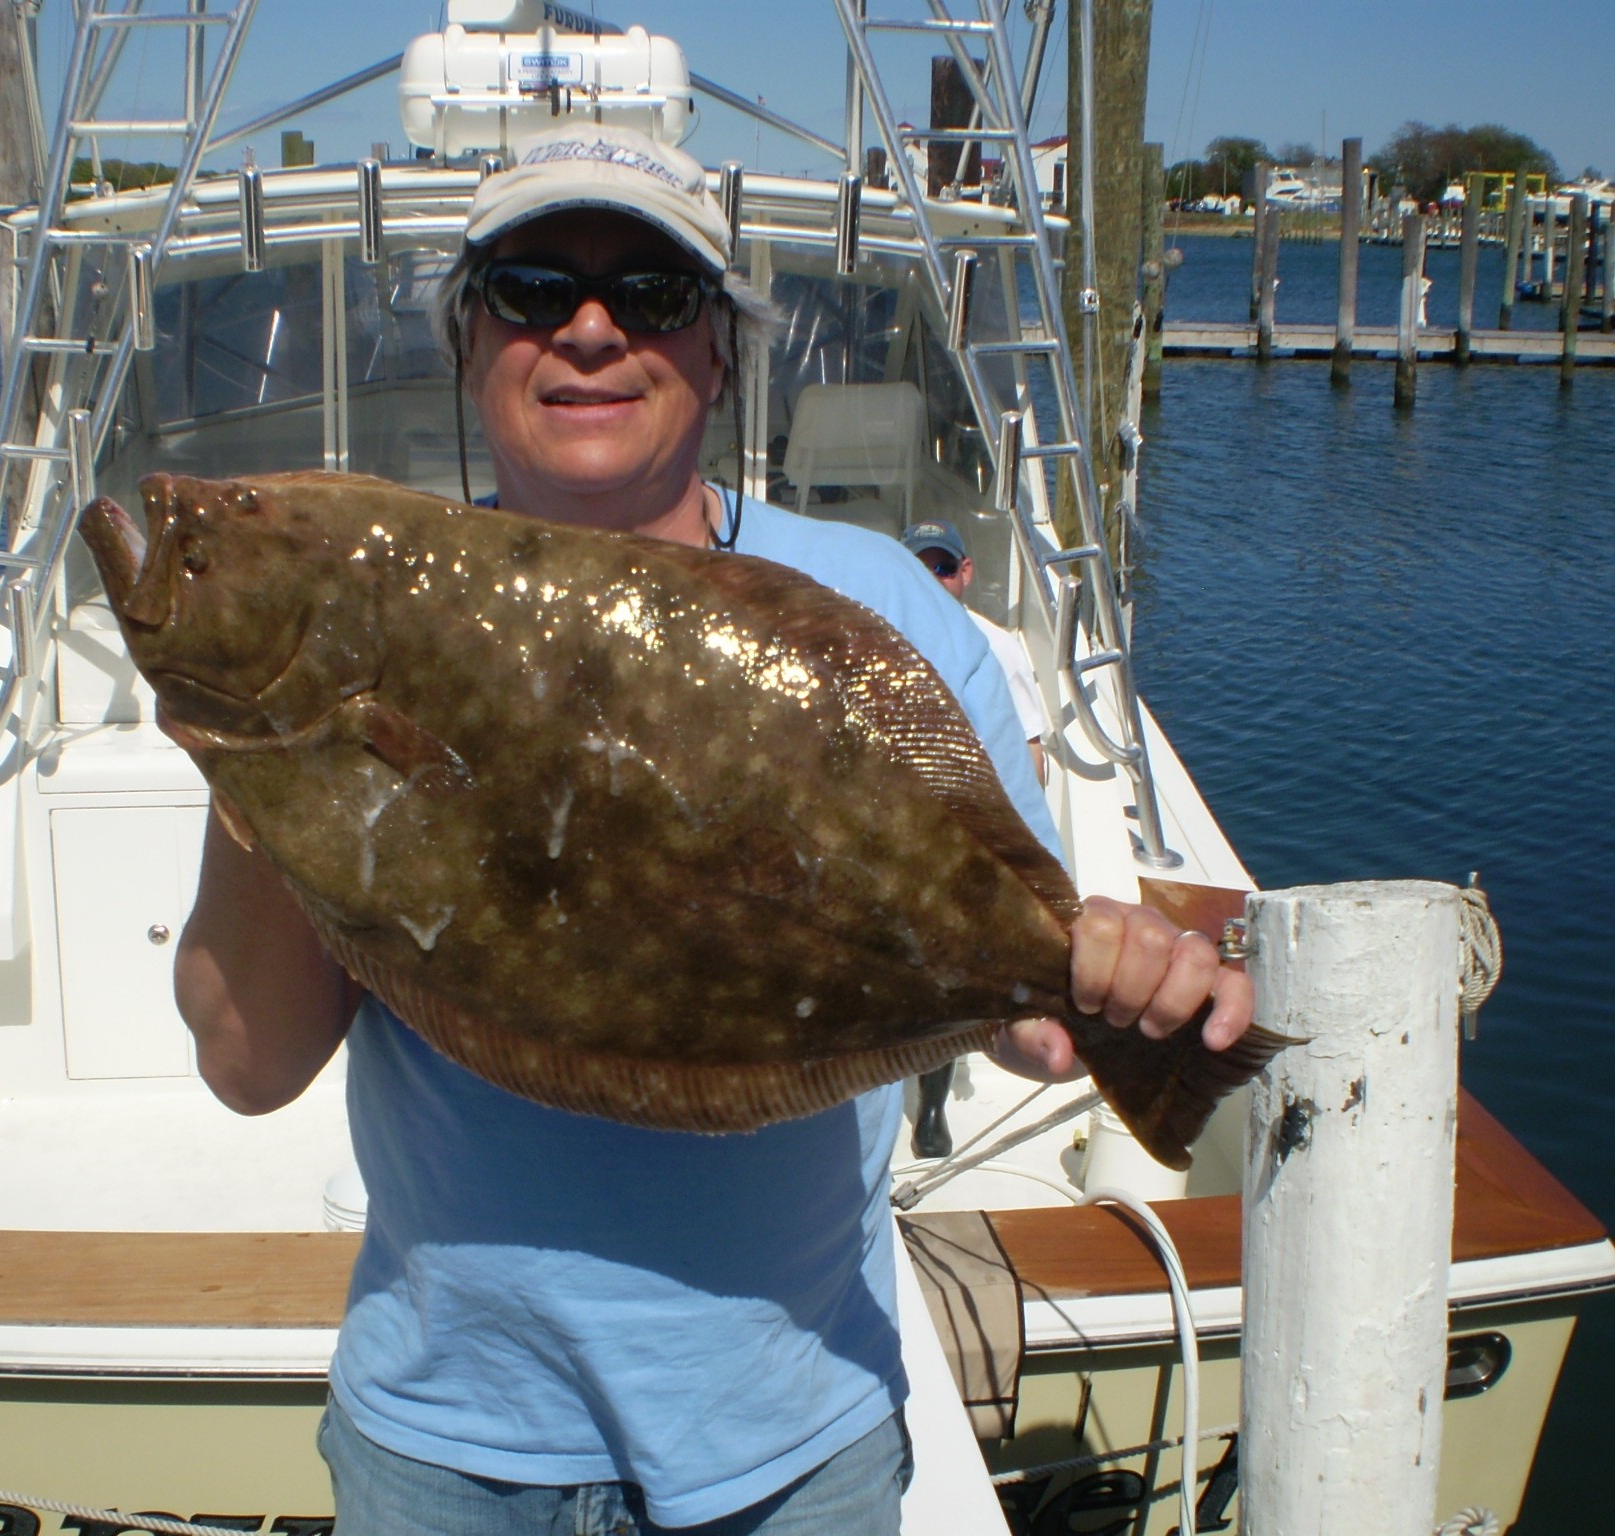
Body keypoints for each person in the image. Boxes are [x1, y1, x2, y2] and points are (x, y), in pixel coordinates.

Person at [169, 123, 1254, 1535]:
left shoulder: (887, 614)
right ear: (466, 340)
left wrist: (1109, 995)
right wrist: (267, 740)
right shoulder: (377, 622)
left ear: (724, 350)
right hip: (448, 1446)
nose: (593, 329)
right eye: (533, 286)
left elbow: (1032, 1017)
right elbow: (250, 1065)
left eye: (657, 294)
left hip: (795, 1443)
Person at [900, 521, 1048, 783]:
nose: (932, 580)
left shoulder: (999, 648)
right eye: (919, 569)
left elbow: (1028, 745)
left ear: (965, 572)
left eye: (944, 569)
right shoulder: (883, 641)